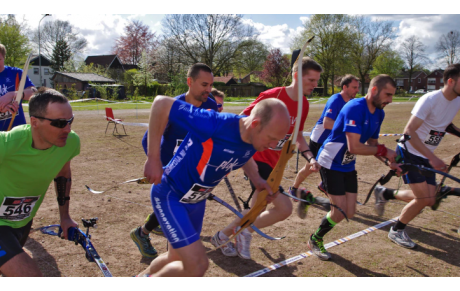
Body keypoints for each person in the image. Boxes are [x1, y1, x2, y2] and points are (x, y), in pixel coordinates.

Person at [137, 96, 290, 277]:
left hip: (196, 201)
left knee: (174, 259)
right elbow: (161, 104)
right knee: (197, 265)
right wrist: (153, 158)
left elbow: (245, 153)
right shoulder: (214, 123)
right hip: (170, 194)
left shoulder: (253, 137)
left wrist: (257, 179)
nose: (273, 146)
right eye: (271, 139)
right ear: (255, 124)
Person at [212, 57, 328, 260]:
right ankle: (242, 232)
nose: (315, 85)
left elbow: (298, 136)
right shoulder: (272, 96)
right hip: (256, 160)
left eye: (317, 80)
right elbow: (242, 120)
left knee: (260, 207)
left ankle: (224, 235)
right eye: (311, 80)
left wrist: (310, 157)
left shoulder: (304, 105)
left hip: (276, 166)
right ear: (296, 77)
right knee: (283, 207)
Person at [307, 75, 401, 261]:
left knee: (349, 212)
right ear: (374, 90)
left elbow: (372, 143)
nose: (390, 100)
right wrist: (385, 150)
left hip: (347, 164)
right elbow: (355, 147)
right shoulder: (354, 108)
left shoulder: (379, 113)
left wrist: (389, 161)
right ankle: (315, 239)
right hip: (330, 161)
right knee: (340, 210)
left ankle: (316, 200)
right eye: (387, 94)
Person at [130, 63, 218, 258]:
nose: (208, 90)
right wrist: (158, 165)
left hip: (194, 174)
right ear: (190, 82)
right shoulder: (173, 107)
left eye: (211, 85)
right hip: (171, 175)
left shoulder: (211, 105)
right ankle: (152, 242)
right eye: (204, 84)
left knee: (184, 218)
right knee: (177, 223)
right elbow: (148, 139)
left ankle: (149, 235)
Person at [372, 64, 460, 249]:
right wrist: (433, 159)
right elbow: (409, 131)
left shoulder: (456, 101)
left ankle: (385, 193)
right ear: (451, 81)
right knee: (424, 199)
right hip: (410, 152)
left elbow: (444, 123)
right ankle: (396, 230)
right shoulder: (430, 100)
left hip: (426, 155)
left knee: (428, 198)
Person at [0, 88, 79, 276]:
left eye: (70, 121)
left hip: (22, 223)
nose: (67, 129)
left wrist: (65, 217)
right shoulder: (8, 144)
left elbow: (63, 174)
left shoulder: (70, 143)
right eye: (60, 123)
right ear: (34, 122)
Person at [290, 74, 360, 216]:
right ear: (344, 87)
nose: (357, 90)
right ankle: (294, 189)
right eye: (354, 87)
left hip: (333, 142)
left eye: (358, 88)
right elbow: (328, 123)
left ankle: (325, 186)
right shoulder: (335, 100)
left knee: (335, 169)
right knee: (312, 166)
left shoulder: (352, 102)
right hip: (320, 140)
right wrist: (349, 128)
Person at [0, 44, 37, 131]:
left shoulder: (16, 73)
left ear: (4, 57)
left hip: (18, 132)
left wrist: (13, 94)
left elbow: (34, 92)